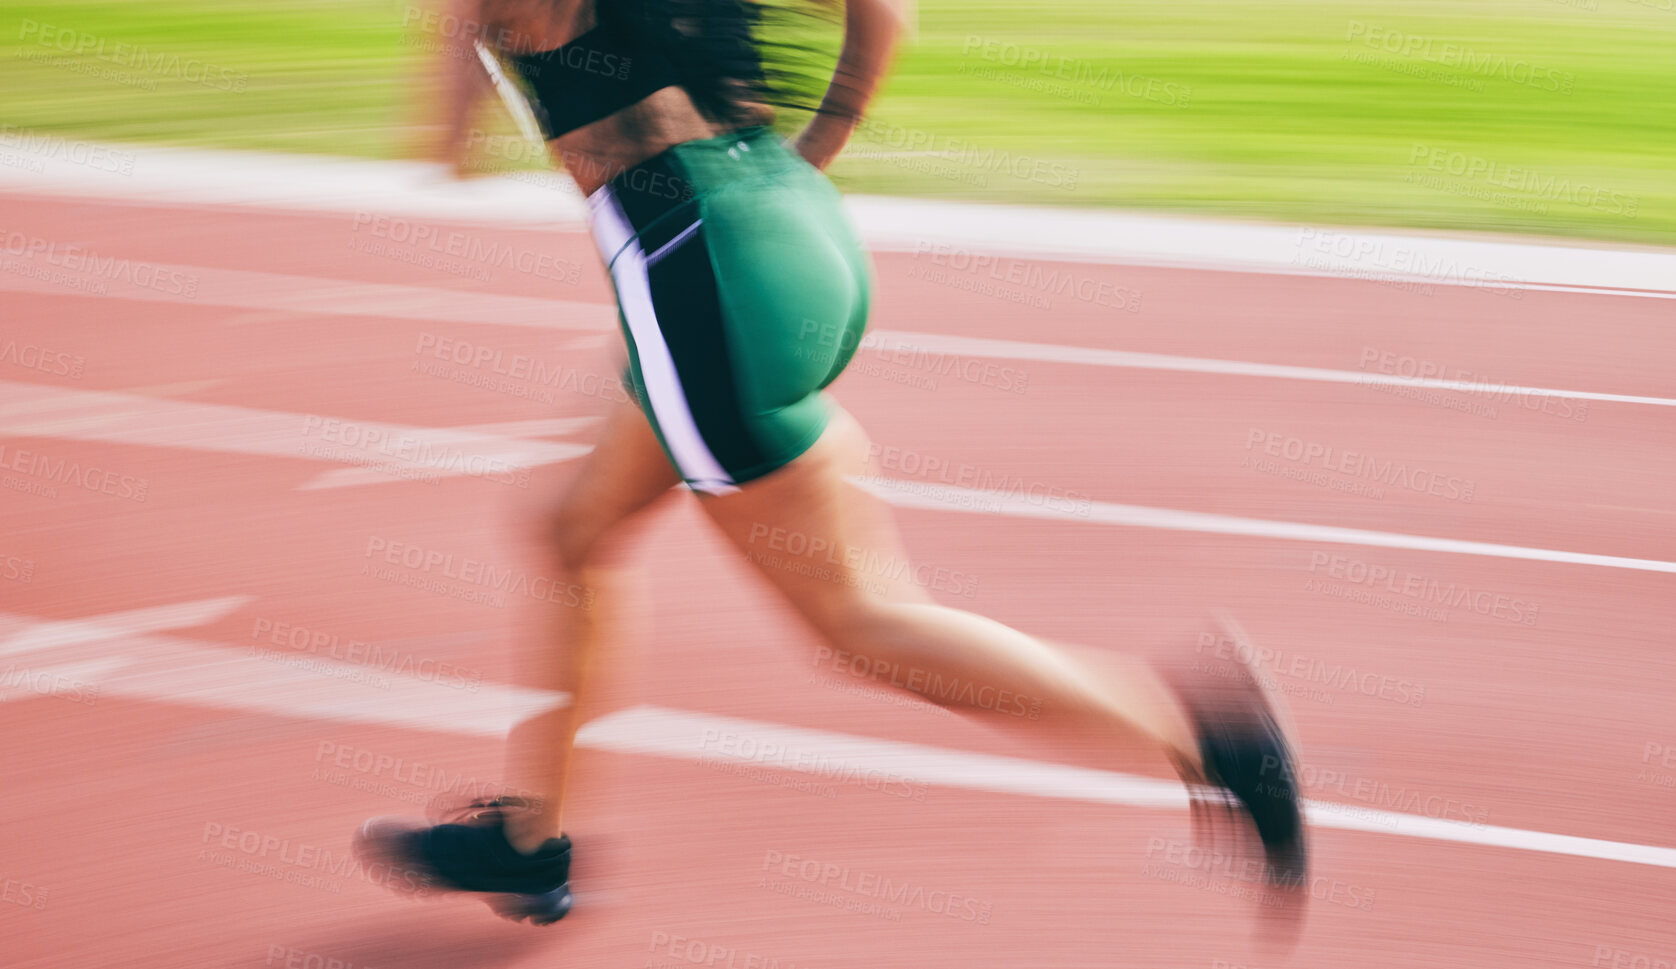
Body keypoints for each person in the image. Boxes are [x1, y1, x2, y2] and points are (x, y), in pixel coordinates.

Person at [355, 0, 1306, 928]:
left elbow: (445, 146)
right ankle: (530, 841)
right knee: (571, 529)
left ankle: (1207, 739)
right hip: (794, 223)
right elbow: (886, 12)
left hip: (697, 279)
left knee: (865, 621)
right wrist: (825, 131)